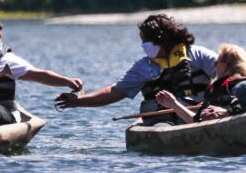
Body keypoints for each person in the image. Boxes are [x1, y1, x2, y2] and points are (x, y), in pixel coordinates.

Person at [55, 13, 216, 115]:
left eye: (145, 40)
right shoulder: (143, 66)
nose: (143, 45)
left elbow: (230, 70)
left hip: (200, 113)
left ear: (160, 39)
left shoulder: (197, 54)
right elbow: (114, 92)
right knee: (161, 124)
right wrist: (77, 101)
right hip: (160, 119)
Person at [154, 42, 246, 123]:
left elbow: (196, 121)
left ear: (224, 66)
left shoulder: (224, 87)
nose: (215, 65)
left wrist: (173, 104)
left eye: (216, 62)